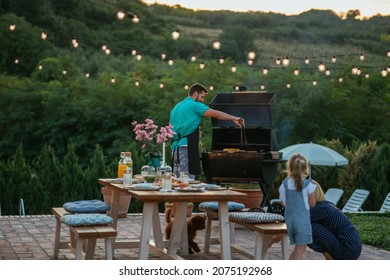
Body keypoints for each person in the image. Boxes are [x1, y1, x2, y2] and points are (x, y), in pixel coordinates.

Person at [169, 83, 245, 178]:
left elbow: (170, 128)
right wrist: (234, 118)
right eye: (202, 97)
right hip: (186, 147)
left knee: (176, 181)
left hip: (175, 148)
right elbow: (216, 114)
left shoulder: (175, 108)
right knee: (187, 180)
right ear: (196, 94)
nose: (202, 100)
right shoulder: (195, 105)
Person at [308, 181, 362, 260]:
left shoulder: (318, 208)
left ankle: (331, 259)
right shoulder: (325, 205)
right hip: (352, 248)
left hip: (347, 250)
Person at [279, 153, 316, 259]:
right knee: (300, 250)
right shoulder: (308, 185)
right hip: (302, 222)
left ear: (289, 167)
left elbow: (283, 203)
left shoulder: (284, 185)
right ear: (305, 169)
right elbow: (313, 204)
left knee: (299, 248)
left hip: (290, 221)